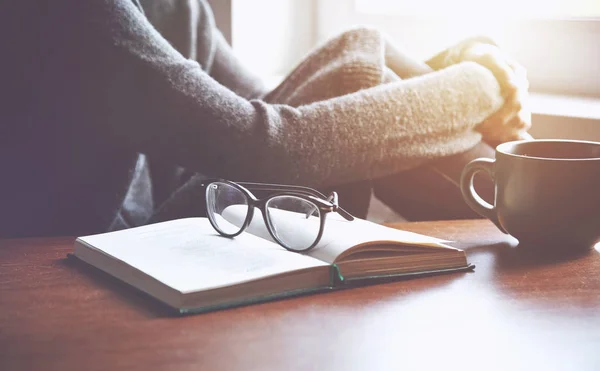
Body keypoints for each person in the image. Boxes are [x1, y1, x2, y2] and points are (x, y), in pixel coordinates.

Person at [0, 0, 530, 238]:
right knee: (355, 54)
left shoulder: (175, 8)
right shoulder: (69, 12)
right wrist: (482, 86)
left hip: (167, 241)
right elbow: (266, 147)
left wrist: (457, 65)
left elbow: (276, 101)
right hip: (94, 265)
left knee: (359, 53)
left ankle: (522, 211)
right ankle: (529, 205)